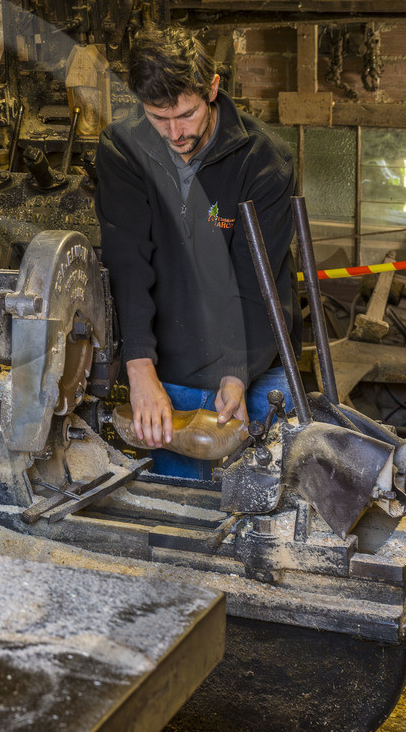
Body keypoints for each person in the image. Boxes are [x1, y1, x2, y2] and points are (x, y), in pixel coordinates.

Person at [92, 26, 299, 479]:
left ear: (212, 89)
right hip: (169, 372)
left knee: (269, 513)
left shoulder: (265, 162)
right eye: (157, 118)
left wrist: (235, 373)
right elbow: (129, 265)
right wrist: (140, 369)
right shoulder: (122, 150)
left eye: (184, 115)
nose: (174, 133)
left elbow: (255, 282)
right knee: (175, 518)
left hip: (259, 364)